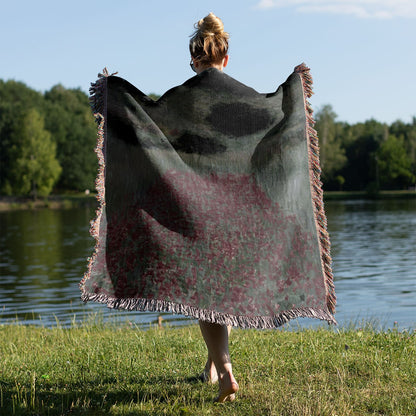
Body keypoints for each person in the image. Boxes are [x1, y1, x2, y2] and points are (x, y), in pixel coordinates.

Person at [188, 12, 239, 403]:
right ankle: (210, 366)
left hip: (198, 208)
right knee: (221, 291)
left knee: (206, 297)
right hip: (237, 208)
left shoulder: (184, 98)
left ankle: (225, 372)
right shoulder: (242, 96)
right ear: (225, 57)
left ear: (195, 60)